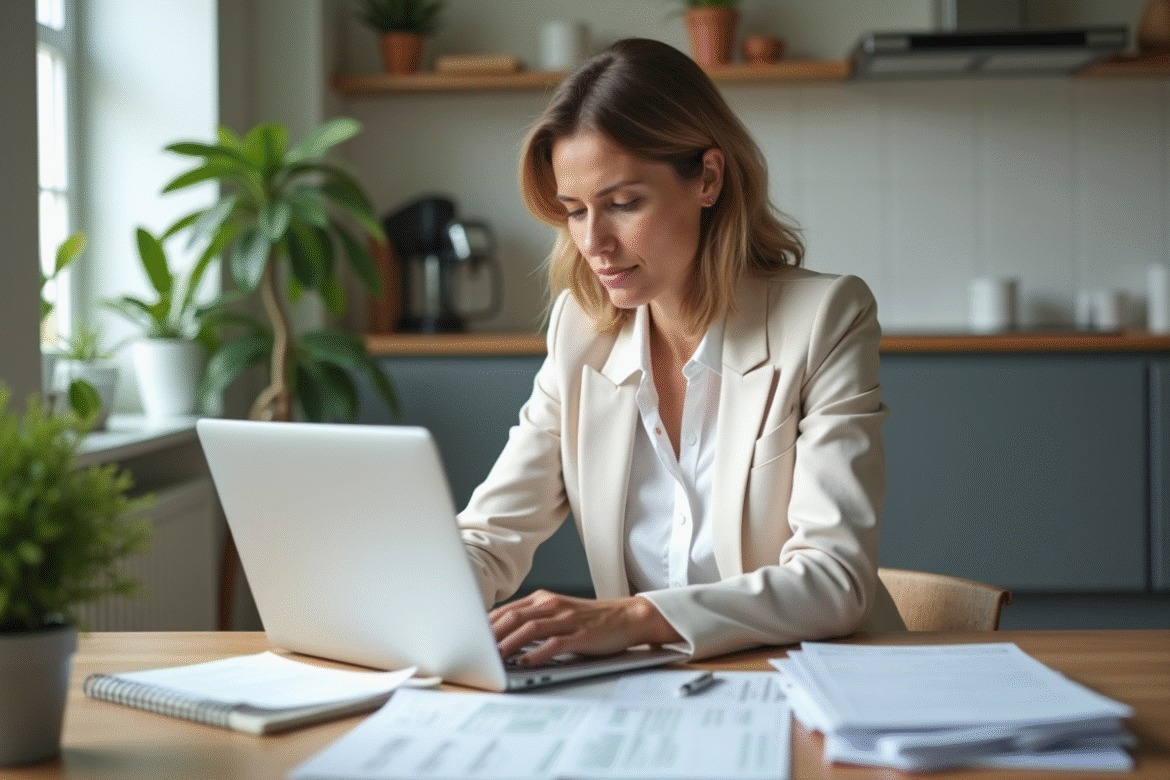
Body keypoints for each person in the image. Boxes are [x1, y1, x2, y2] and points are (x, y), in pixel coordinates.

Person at [457, 37, 905, 667]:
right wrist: (399, 598)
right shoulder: (580, 332)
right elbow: (490, 536)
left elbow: (835, 583)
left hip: (821, 686)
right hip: (660, 692)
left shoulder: (825, 319)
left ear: (708, 179)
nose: (594, 243)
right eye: (574, 212)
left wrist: (633, 618)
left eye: (622, 205)